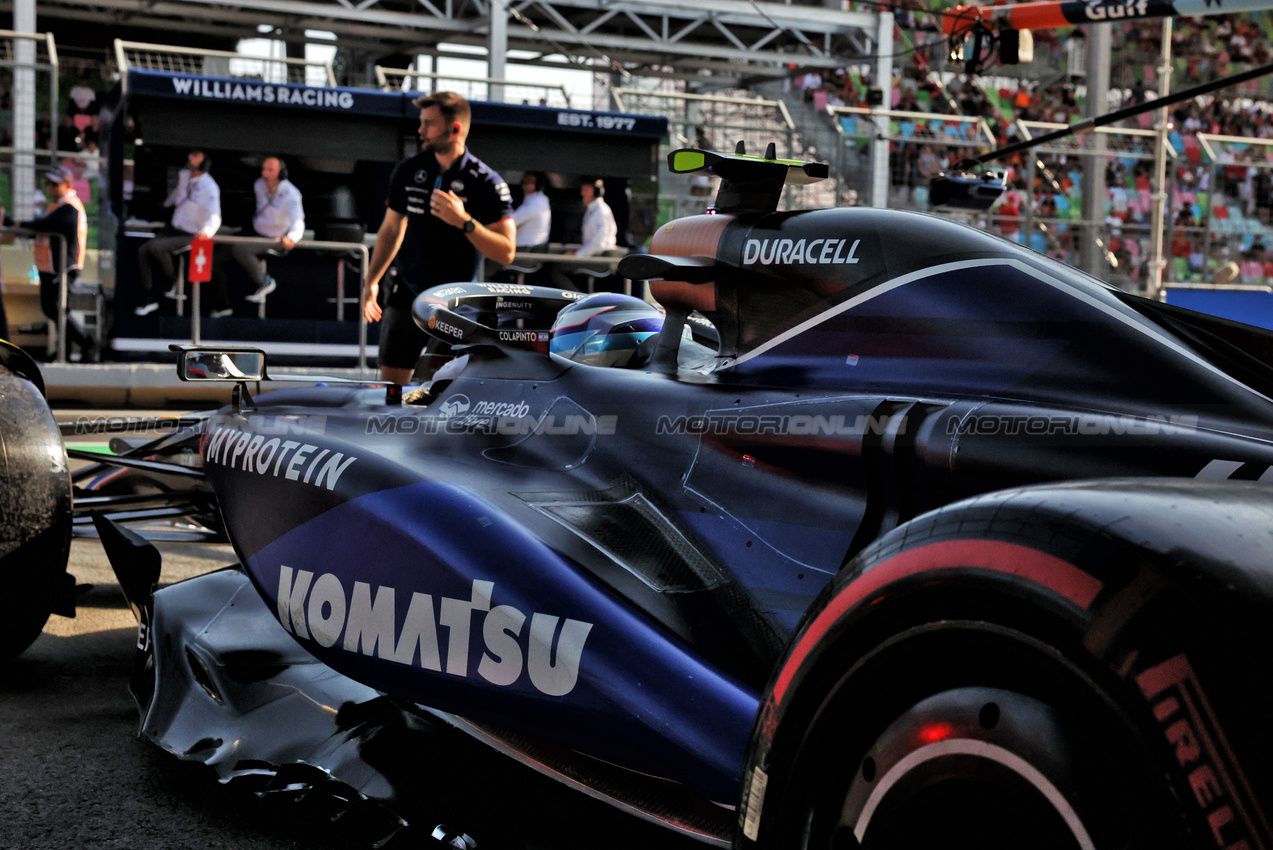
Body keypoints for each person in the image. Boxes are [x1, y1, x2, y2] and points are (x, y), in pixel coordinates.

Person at [361, 91, 515, 385]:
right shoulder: (408, 170)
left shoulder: (487, 182)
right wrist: (372, 281)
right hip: (407, 292)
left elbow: (506, 251)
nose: (420, 130)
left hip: (456, 300)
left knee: (445, 390)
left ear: (454, 129)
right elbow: (391, 228)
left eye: (428, 123)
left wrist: (464, 222)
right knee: (392, 387)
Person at [16, 166, 95, 360]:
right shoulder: (58, 205)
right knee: (54, 309)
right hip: (50, 267)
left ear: (68, 184)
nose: (49, 188)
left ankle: (87, 344)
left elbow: (44, 225)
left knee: (57, 309)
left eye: (54, 184)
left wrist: (19, 225)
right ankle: (64, 352)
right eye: (48, 184)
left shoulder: (70, 207)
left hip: (64, 267)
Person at [134, 150, 224, 317]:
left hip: (192, 234)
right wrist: (165, 205)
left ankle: (173, 281)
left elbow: (215, 215)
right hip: (174, 228)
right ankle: (149, 297)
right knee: (143, 250)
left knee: (156, 247)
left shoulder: (210, 188)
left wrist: (206, 232)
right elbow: (178, 195)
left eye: (195, 157)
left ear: (202, 165)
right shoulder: (184, 175)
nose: (189, 157)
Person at [219, 156, 305, 304]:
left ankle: (265, 281)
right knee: (220, 247)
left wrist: (293, 237)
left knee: (240, 249)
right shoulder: (259, 185)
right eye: (264, 169)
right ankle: (222, 305)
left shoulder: (292, 194)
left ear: (281, 173)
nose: (265, 173)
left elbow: (298, 220)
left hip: (276, 238)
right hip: (255, 231)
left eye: (270, 170)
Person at [550, 177, 617, 291]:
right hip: (593, 256)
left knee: (556, 269)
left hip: (599, 258)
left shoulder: (601, 211)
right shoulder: (593, 210)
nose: (582, 193)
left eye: (586, 189)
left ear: (595, 191)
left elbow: (600, 242)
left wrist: (578, 254)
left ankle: (575, 299)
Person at [511, 171, 551, 252]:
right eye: (523, 181)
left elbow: (511, 221)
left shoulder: (537, 201)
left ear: (538, 183)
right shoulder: (535, 199)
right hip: (524, 248)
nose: (525, 185)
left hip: (527, 249)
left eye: (529, 181)